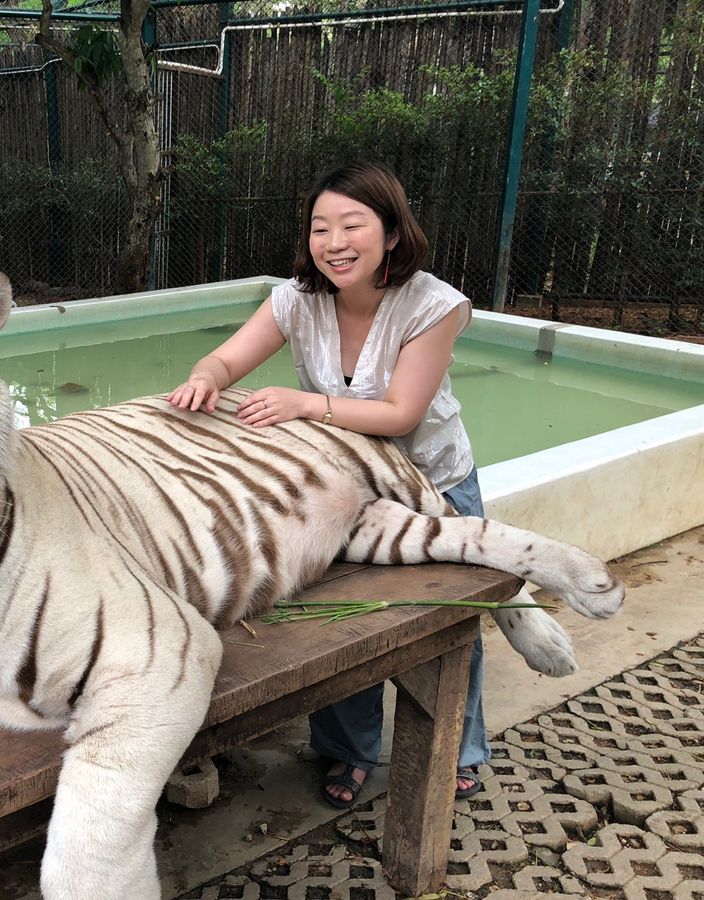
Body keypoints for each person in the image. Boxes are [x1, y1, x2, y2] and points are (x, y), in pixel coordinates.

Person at [167, 161, 487, 809]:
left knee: (452, 619)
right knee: (340, 623)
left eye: (352, 225)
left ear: (392, 233)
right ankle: (350, 751)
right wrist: (205, 377)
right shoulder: (296, 299)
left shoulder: (434, 304)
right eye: (320, 228)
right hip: (345, 492)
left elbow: (401, 413)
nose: (334, 242)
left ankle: (457, 746)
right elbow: (228, 357)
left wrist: (303, 405)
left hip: (434, 485)